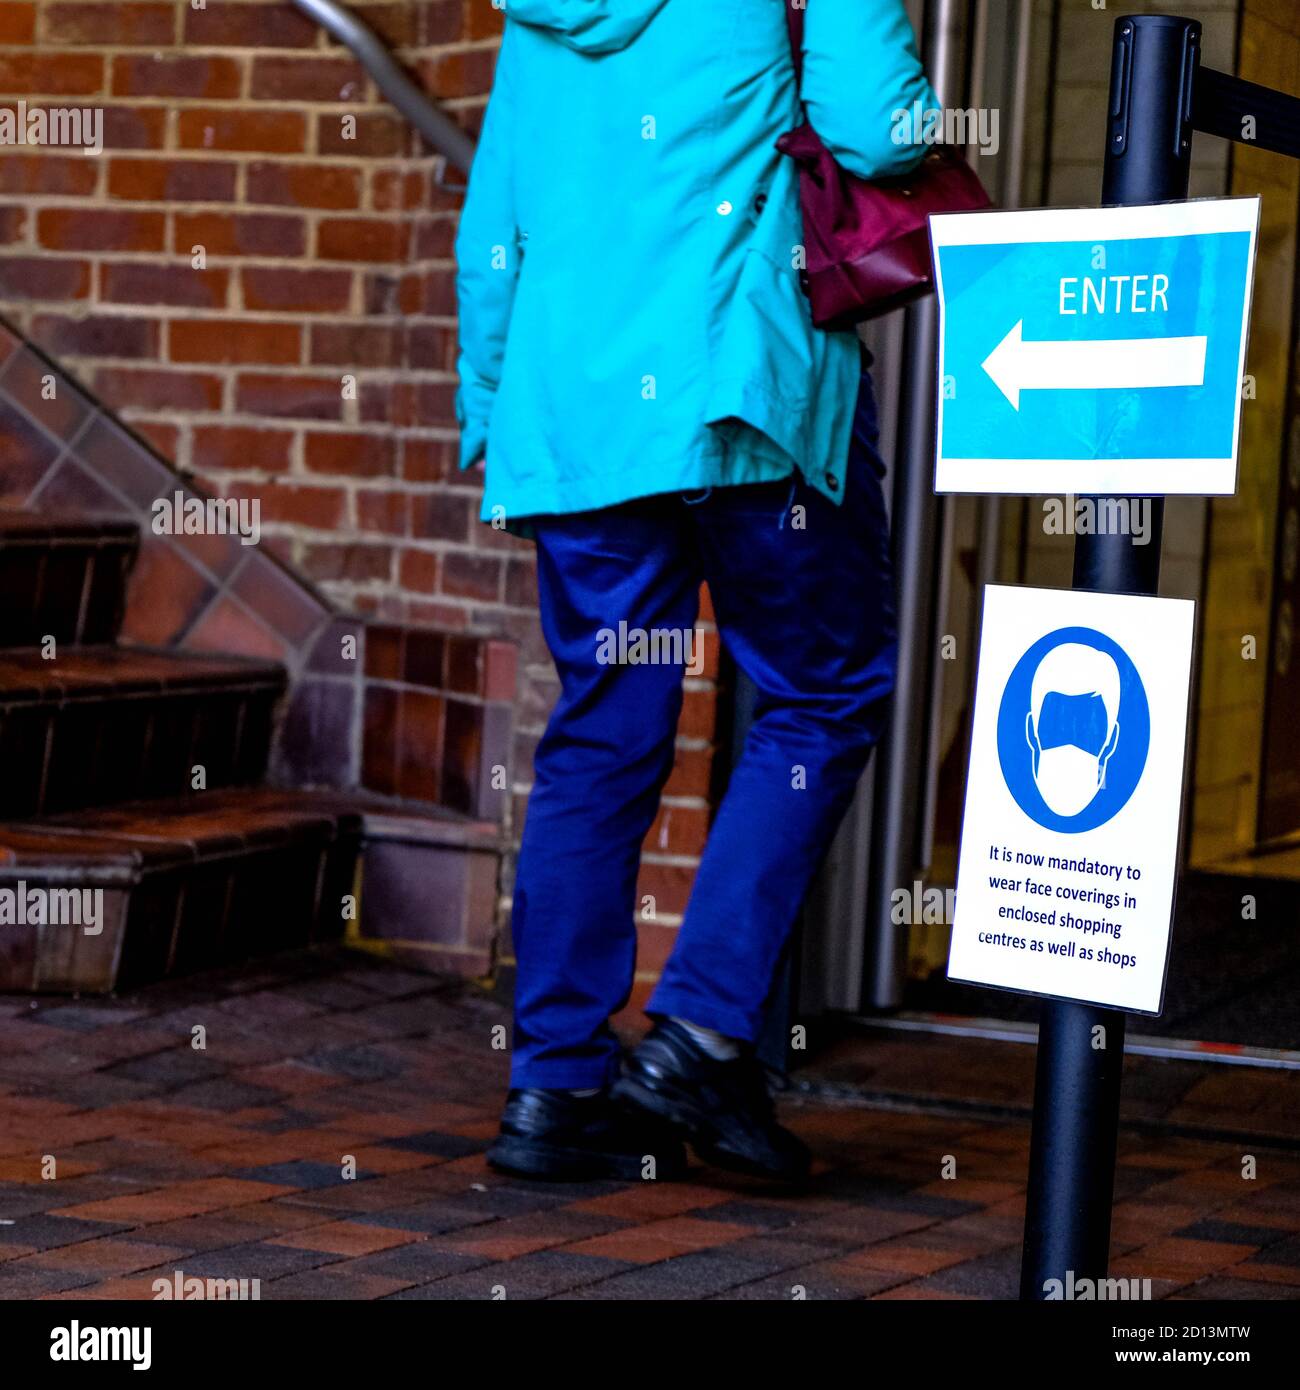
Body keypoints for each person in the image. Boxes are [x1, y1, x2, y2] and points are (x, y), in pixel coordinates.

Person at [455, 0, 939, 1183]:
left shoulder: (539, 13)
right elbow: (879, 134)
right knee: (824, 694)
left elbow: (492, 222)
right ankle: (703, 1034)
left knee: (599, 735)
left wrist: (494, 403)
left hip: (578, 410)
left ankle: (554, 1092)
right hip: (742, 391)